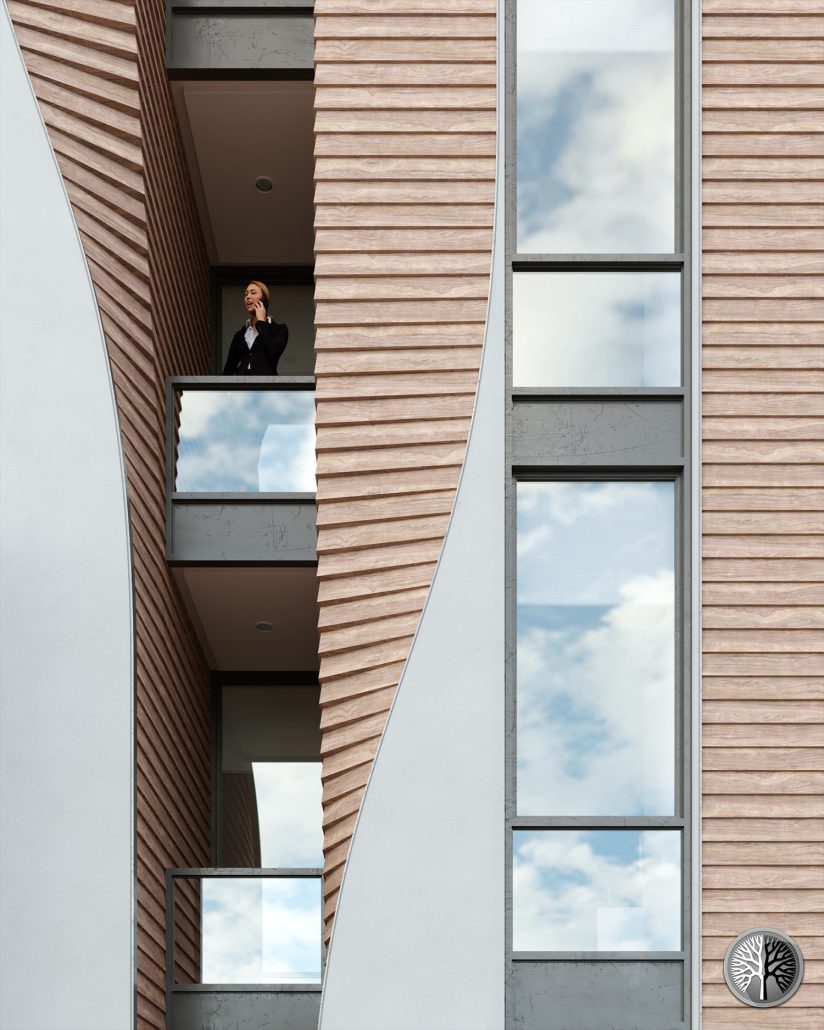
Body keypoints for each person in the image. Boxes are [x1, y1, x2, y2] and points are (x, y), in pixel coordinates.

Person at [222, 280, 288, 375]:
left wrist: (261, 322)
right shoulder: (240, 335)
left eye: (253, 293)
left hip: (266, 382)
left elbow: (273, 352)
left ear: (264, 299)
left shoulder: (279, 329)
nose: (248, 297)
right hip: (242, 383)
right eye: (246, 294)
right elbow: (228, 369)